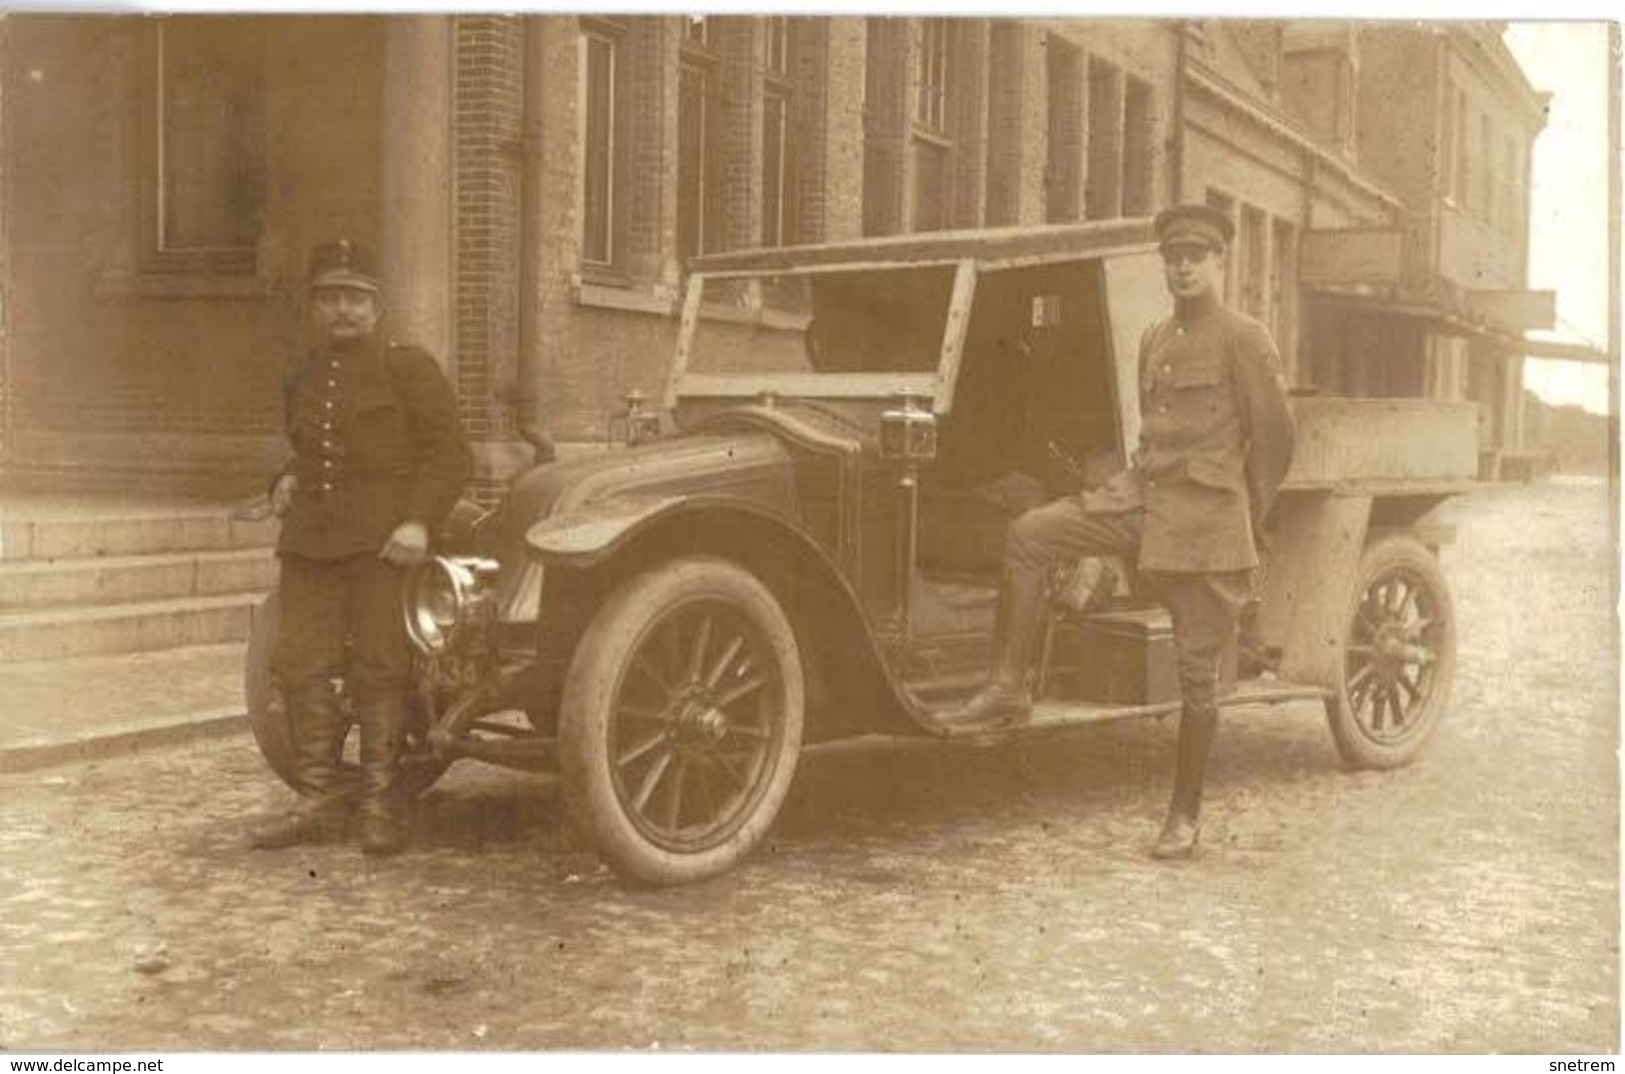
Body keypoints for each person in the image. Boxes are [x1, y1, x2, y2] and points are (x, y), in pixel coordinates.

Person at [943, 204, 1296, 860]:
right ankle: (1007, 688)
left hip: (1203, 517)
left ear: (1220, 262)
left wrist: (1245, 515)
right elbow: (1150, 432)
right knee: (1028, 534)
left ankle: (1183, 815)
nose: (1183, 266)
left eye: (1197, 255)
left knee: (1197, 677)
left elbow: (1275, 439)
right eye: (1173, 256)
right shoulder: (1154, 338)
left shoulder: (1243, 338)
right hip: (1140, 495)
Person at [251, 239, 472, 856]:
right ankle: (319, 798)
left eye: (354, 298)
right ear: (313, 307)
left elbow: (450, 454)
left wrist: (419, 523)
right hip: (311, 544)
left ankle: (380, 804)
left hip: (382, 546)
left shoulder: (408, 369)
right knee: (302, 666)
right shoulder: (302, 376)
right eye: (329, 298)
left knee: (380, 669)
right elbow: (311, 448)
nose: (342, 310)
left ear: (376, 307)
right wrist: (285, 479)